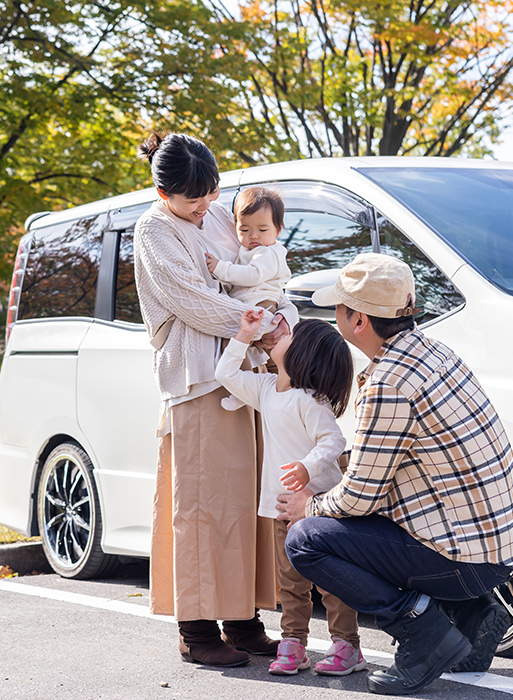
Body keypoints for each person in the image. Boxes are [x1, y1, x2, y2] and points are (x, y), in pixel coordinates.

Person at [276, 253, 513, 695]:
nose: (334, 313)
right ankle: (472, 614)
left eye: (339, 306)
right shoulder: (436, 352)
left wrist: (308, 505)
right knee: (363, 520)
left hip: (465, 563)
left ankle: (424, 631)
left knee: (306, 539)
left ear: (358, 321)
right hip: (504, 553)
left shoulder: (389, 383)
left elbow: (359, 498)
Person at [133, 132, 299, 667]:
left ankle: (242, 618)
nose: (205, 205)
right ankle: (197, 628)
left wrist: (275, 318)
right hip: (199, 379)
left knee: (244, 502)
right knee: (203, 506)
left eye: (211, 192)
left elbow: (262, 271)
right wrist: (262, 327)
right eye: (191, 197)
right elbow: (194, 303)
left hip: (243, 372)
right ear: (163, 193)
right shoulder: (155, 229)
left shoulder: (221, 215)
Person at [215, 309, 366, 677]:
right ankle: (293, 644)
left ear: (303, 354)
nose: (280, 332)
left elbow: (334, 440)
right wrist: (243, 334)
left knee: (333, 582)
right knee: (291, 584)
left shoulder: (309, 399)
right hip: (281, 507)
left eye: (291, 333)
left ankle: (347, 645)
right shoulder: (267, 389)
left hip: (318, 507)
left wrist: (307, 467)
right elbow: (225, 374)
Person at [204, 186, 291, 411]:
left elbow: (253, 276)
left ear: (278, 229)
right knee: (248, 350)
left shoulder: (268, 252)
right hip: (251, 302)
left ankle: (242, 388)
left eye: (262, 229)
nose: (254, 236)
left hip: (260, 304)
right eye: (244, 229)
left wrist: (220, 269)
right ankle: (243, 390)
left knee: (238, 346)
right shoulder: (252, 249)